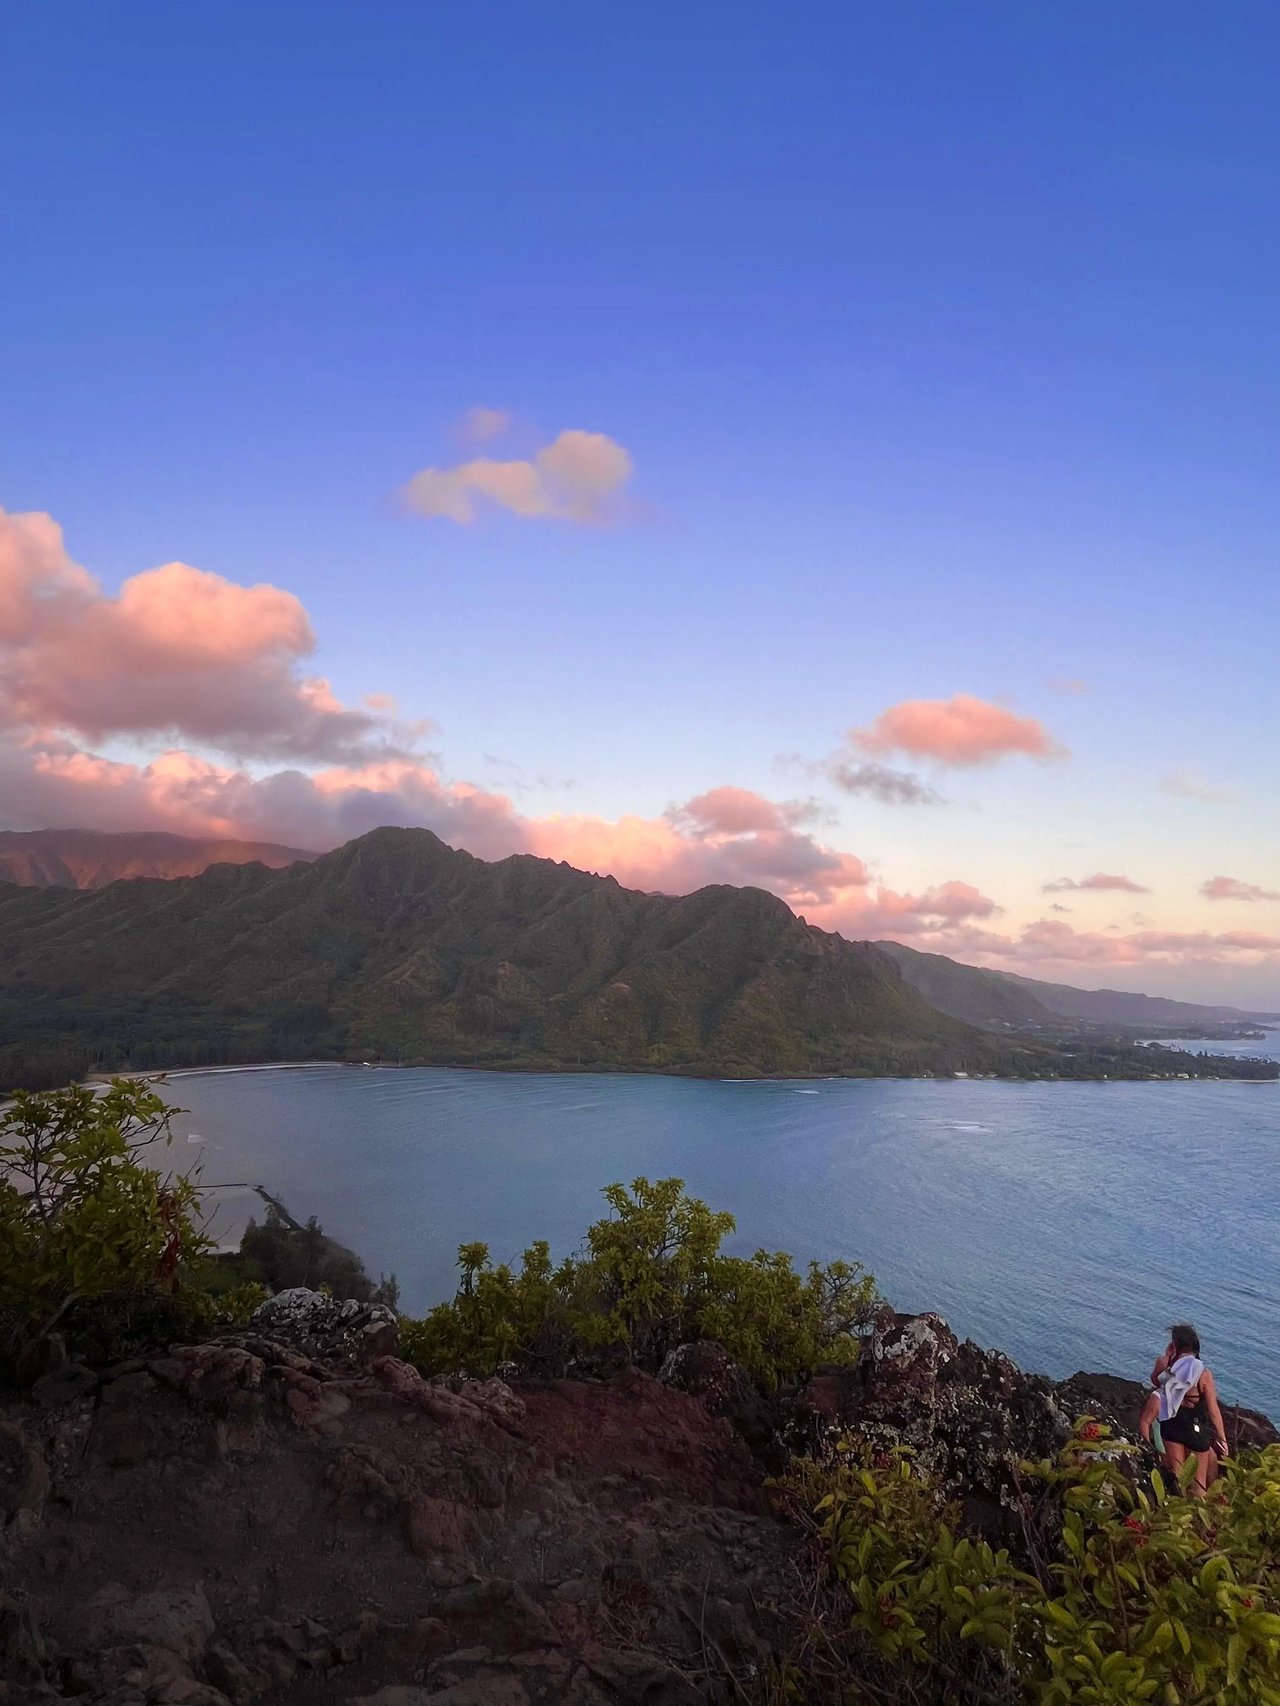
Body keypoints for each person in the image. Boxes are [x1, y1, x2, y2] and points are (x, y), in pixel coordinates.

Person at [1139, 1323, 1228, 1495]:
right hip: (1194, 1427)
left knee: (1178, 1478)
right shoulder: (1203, 1374)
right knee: (1198, 1484)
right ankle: (1198, 1519)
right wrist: (1222, 1438)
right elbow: (1213, 1410)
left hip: (1172, 1424)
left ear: (1174, 1344)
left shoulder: (1168, 1365)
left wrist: (1168, 1357)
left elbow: (1157, 1383)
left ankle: (1178, 1514)